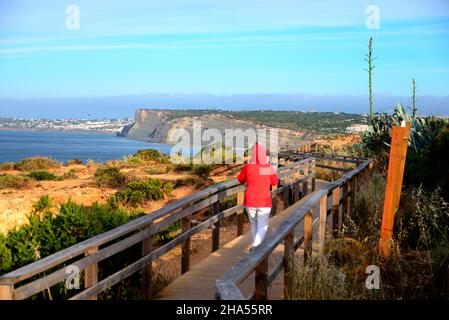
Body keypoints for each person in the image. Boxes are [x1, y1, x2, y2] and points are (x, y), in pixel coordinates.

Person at [237, 143, 279, 251]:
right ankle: (256, 247)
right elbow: (275, 182)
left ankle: (256, 247)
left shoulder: (248, 166)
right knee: (263, 225)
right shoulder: (266, 168)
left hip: (250, 201)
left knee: (254, 224)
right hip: (264, 201)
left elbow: (240, 179)